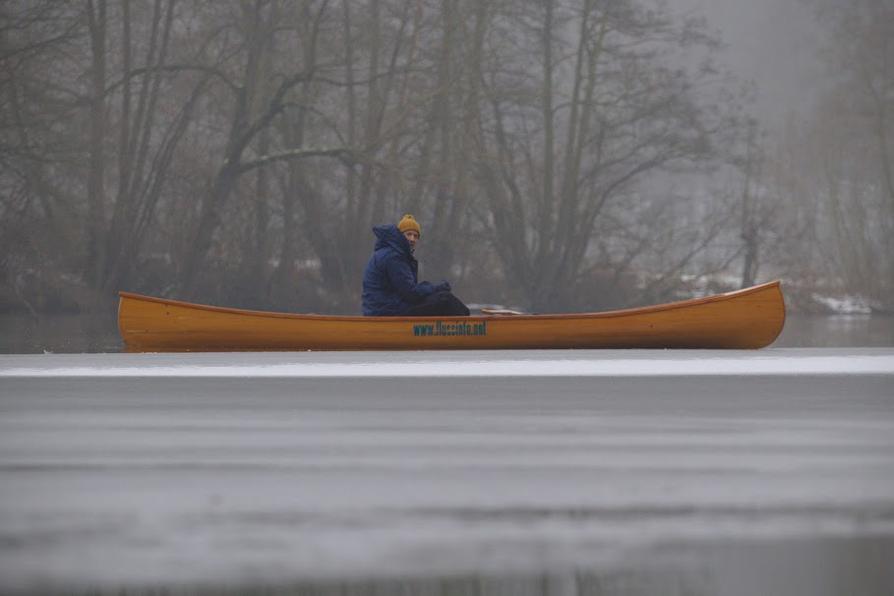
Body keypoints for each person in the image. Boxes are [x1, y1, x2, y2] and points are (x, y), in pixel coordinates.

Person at [362, 214, 470, 317]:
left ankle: (459, 329)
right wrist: (437, 288)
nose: (412, 239)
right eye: (408, 234)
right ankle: (470, 329)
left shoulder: (390, 252)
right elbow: (411, 293)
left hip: (384, 308)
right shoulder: (393, 257)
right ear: (400, 235)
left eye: (416, 236)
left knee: (438, 299)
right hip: (386, 311)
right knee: (445, 299)